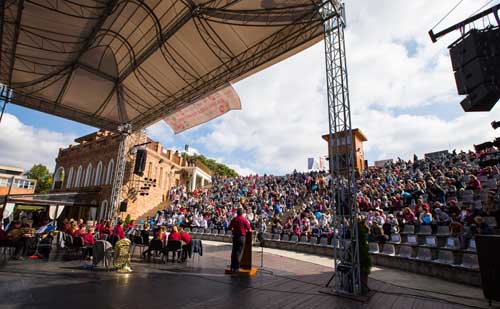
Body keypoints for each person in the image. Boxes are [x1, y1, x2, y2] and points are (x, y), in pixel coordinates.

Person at [228, 207, 252, 272]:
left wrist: (234, 229)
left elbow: (229, 227)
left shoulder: (234, 219)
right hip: (241, 237)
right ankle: (236, 268)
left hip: (235, 237)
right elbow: (249, 229)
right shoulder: (244, 220)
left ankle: (232, 266)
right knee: (239, 252)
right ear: (242, 213)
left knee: (234, 252)